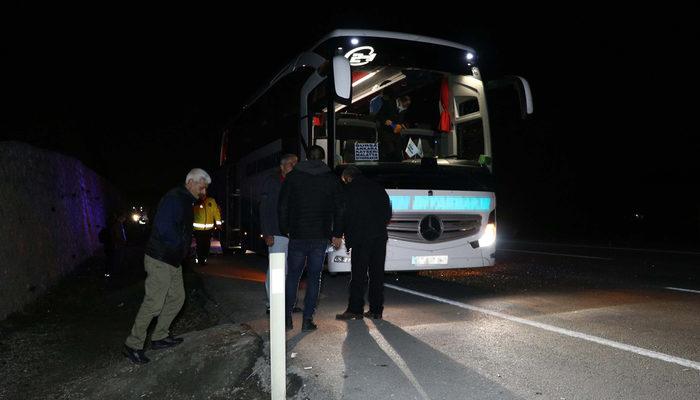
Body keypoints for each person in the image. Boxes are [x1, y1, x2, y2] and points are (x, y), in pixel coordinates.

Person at [123, 168, 210, 364]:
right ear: (191, 182)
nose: (203, 192)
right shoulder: (175, 198)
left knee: (178, 298)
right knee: (154, 302)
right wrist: (181, 245)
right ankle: (133, 344)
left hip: (173, 260)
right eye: (202, 187)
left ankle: (159, 336)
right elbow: (163, 228)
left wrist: (184, 250)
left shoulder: (186, 200)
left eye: (205, 189)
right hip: (160, 258)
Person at [278, 145, 344, 331]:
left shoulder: (293, 177)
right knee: (314, 277)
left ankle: (286, 318)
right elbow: (340, 208)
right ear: (322, 158)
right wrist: (337, 233)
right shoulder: (331, 179)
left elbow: (282, 206)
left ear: (307, 157)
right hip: (320, 236)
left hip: (298, 235)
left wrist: (285, 229)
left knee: (293, 276)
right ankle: (307, 320)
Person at [335, 166, 392, 320]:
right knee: (377, 274)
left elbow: (342, 213)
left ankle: (355, 309)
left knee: (358, 274)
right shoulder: (378, 187)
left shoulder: (349, 190)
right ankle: (376, 310)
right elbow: (388, 211)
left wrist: (337, 234)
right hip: (379, 236)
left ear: (347, 178)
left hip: (360, 237)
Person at [259, 153, 298, 314]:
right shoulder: (272, 181)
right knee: (276, 269)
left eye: (296, 163)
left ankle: (288, 304)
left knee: (290, 270)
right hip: (276, 232)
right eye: (291, 164)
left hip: (294, 233)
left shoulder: (296, 182)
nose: (294, 167)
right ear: (282, 166)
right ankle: (272, 303)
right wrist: (267, 232)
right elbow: (264, 208)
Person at [192, 194, 222, 265]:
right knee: (200, 245)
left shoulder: (211, 201)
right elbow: (191, 213)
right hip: (198, 229)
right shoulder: (196, 201)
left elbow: (216, 212)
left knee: (206, 245)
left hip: (208, 229)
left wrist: (218, 224)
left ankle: (204, 258)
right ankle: (200, 260)